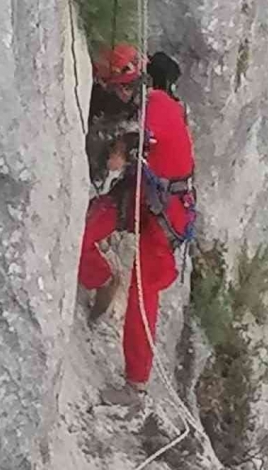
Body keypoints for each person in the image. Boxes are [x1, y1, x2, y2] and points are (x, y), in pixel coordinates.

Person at [77, 43, 196, 397]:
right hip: (140, 193)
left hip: (166, 211)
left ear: (128, 85)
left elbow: (149, 135)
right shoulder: (146, 104)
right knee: (81, 231)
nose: (117, 94)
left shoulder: (159, 106)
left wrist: (123, 150)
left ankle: (136, 384)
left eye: (118, 88)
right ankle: (101, 276)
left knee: (144, 292)